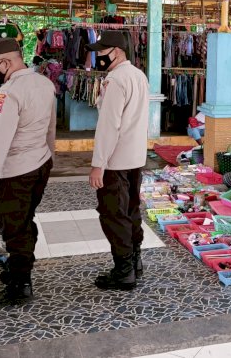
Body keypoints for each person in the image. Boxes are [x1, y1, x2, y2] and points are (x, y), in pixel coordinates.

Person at [0, 38, 57, 307]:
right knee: (25, 220)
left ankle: (20, 286)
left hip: (16, 171)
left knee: (13, 228)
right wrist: (50, 158)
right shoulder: (45, 83)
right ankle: (19, 269)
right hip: (40, 163)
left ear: (6, 62)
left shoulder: (7, 93)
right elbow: (50, 129)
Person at [87, 31, 149, 291]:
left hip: (116, 161)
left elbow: (109, 125)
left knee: (114, 214)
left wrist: (98, 163)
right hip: (136, 158)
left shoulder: (115, 79)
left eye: (102, 52)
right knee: (131, 210)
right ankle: (135, 261)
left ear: (117, 51)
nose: (98, 56)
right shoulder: (138, 75)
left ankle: (124, 271)